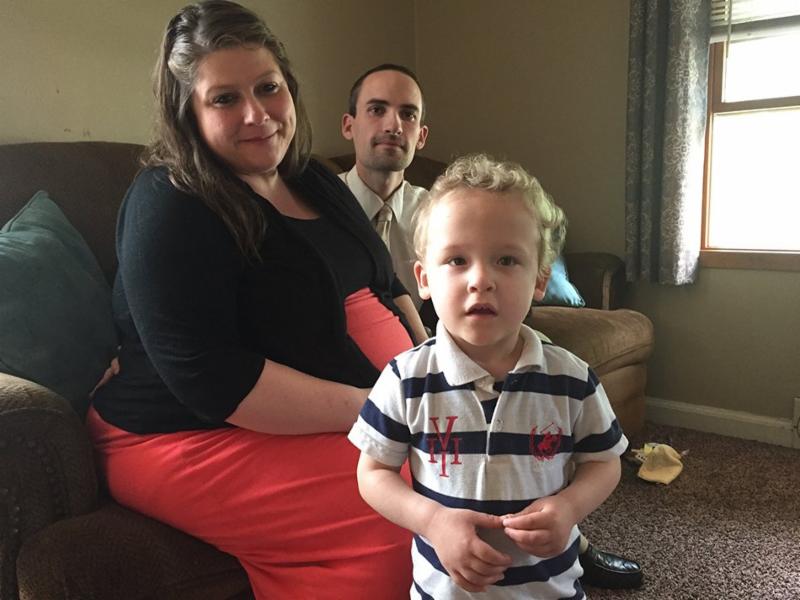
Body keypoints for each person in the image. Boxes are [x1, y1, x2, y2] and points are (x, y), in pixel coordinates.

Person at [87, 2, 425, 598]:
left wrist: (437, 376)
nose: (257, 115)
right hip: (185, 432)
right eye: (224, 98)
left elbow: (387, 284)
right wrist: (383, 410)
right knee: (403, 515)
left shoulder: (310, 177)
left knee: (472, 468)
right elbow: (210, 377)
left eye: (268, 88)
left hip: (341, 403)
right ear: (187, 113)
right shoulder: (169, 201)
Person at [341, 65, 644, 591]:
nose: (481, 280)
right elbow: (373, 474)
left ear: (539, 279)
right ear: (424, 279)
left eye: (506, 260)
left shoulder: (571, 379)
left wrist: (569, 507)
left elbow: (604, 463)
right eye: (457, 260)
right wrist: (431, 520)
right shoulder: (406, 379)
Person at [340, 64, 429, 312]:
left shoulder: (437, 216)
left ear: (421, 137)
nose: (393, 126)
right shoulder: (314, 205)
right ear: (348, 126)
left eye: (408, 114)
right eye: (377, 110)